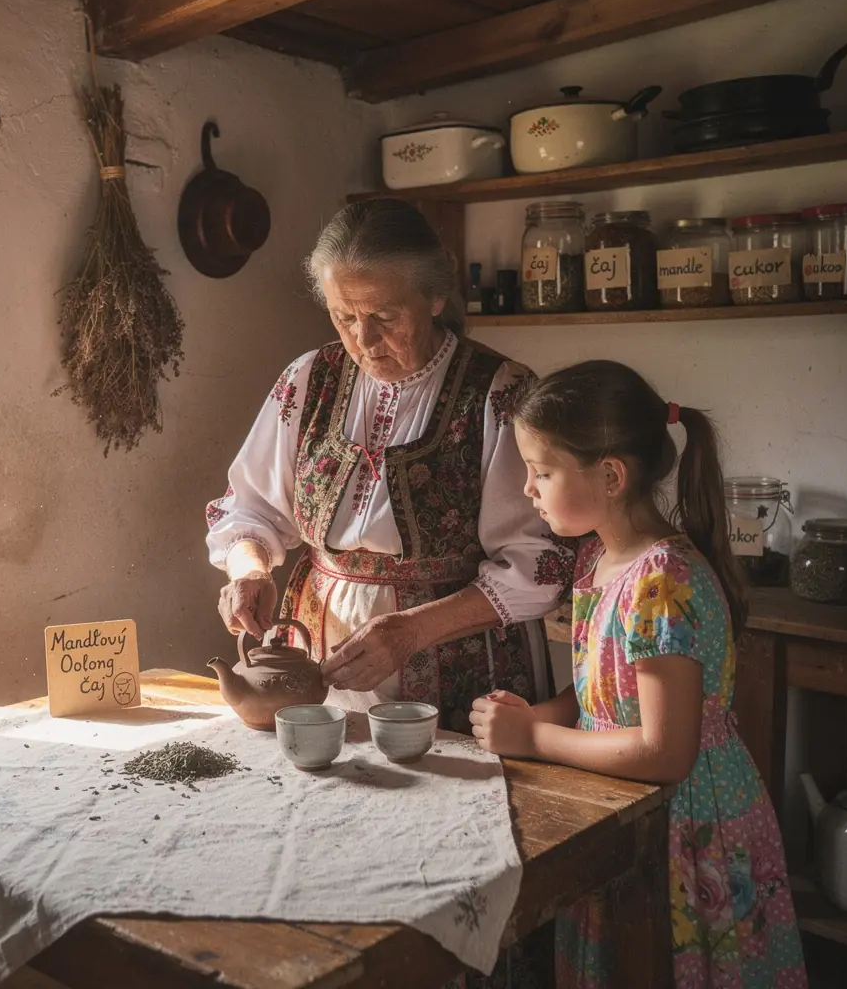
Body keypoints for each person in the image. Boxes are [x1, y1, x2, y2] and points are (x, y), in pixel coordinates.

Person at [206, 199, 574, 987]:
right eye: (345, 316)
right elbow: (251, 508)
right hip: (321, 647)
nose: (364, 341)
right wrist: (249, 570)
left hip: (461, 651)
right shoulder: (307, 380)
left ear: (436, 297)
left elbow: (541, 560)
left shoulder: (500, 394)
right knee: (330, 849)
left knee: (445, 868)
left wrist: (412, 631)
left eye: (385, 316)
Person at [469, 361, 807, 988]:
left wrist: (534, 742)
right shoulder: (599, 558)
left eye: (542, 471)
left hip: (683, 826)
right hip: (625, 809)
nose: (527, 490)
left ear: (612, 475)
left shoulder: (660, 582)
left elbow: (664, 750)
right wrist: (537, 715)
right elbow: (607, 694)